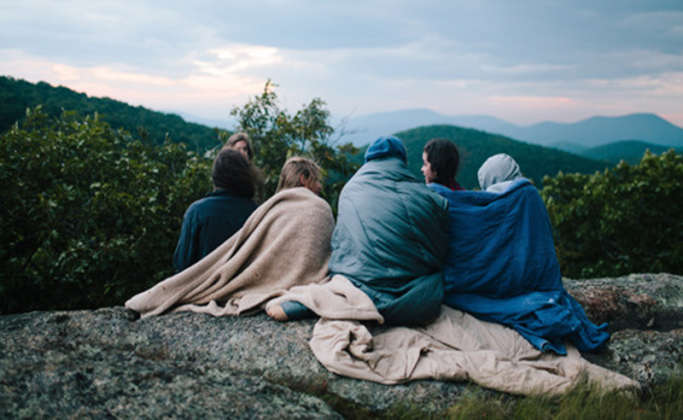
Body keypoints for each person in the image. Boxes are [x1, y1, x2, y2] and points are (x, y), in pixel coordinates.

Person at [427, 153, 609, 354]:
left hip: (499, 285)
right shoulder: (529, 195)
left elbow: (470, 216)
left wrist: (433, 192)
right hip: (536, 283)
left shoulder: (502, 200)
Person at [268, 136, 450, 325]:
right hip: (414, 302)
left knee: (346, 279)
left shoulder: (350, 190)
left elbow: (340, 244)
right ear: (401, 160)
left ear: (369, 160)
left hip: (358, 287)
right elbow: (440, 249)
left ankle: (311, 304)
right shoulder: (427, 196)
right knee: (435, 278)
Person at [126, 156, 334, 318]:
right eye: (317, 180)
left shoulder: (268, 209)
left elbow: (183, 262)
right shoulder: (317, 207)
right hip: (298, 287)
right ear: (303, 178)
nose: (320, 187)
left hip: (247, 285)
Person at [173, 148, 257, 272]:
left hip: (204, 283)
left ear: (215, 176)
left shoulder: (197, 211)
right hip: (245, 283)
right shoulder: (257, 212)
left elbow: (182, 263)